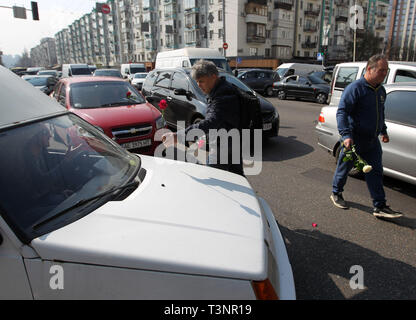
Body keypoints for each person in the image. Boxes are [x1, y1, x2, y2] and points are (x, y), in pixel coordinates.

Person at [330, 54, 402, 219]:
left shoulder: (381, 90)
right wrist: (346, 135)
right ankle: (336, 193)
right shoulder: (355, 88)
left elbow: (380, 113)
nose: (385, 74)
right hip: (354, 140)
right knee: (344, 169)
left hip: (372, 141)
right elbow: (342, 112)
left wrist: (383, 131)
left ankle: (380, 206)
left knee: (375, 172)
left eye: (386, 70)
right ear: (370, 69)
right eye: (382, 70)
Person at [162, 60, 244, 176]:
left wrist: (179, 135)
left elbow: (211, 122)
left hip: (223, 144)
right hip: (230, 141)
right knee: (237, 178)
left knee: (212, 178)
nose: (199, 85)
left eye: (201, 81)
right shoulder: (222, 90)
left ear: (214, 77)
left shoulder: (223, 95)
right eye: (197, 82)